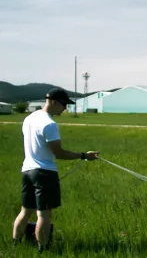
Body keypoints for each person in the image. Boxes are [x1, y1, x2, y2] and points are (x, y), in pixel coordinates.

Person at [12, 88, 99, 253]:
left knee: (25, 212)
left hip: (27, 171)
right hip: (44, 173)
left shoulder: (29, 118)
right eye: (64, 104)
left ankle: (15, 245)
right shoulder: (49, 124)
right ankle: (42, 249)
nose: (65, 108)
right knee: (44, 215)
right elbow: (58, 153)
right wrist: (84, 156)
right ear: (53, 102)